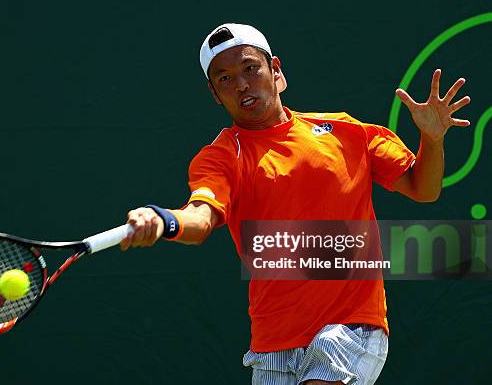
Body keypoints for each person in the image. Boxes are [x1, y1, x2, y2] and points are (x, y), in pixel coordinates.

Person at [119, 23, 471, 384]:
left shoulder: (346, 132)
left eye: (250, 69)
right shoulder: (220, 157)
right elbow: (200, 217)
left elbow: (422, 188)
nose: (240, 84)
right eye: (224, 79)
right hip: (273, 341)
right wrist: (164, 221)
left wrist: (431, 138)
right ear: (214, 93)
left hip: (349, 327)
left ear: (275, 69)